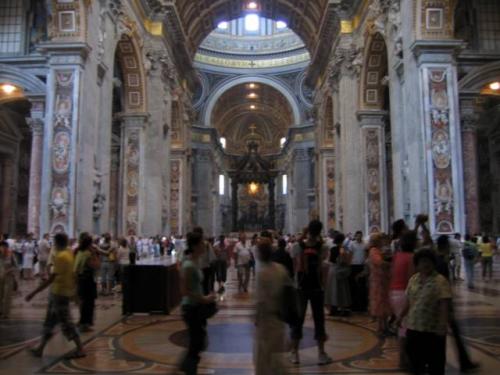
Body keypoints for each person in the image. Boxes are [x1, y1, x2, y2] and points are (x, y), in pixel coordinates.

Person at [25, 232, 85, 358]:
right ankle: (40, 349)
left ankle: (80, 349)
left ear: (57, 243)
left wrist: (34, 292)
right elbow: (73, 275)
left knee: (67, 323)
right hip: (59, 293)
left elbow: (51, 279)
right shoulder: (68, 253)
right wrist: (75, 294)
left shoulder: (61, 256)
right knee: (49, 323)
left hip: (60, 294)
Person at [397, 248, 452, 375]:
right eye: (422, 262)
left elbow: (444, 304)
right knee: (415, 363)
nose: (425, 264)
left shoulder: (440, 281)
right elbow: (409, 301)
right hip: (414, 327)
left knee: (435, 365)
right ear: (417, 265)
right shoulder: (413, 279)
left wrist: (442, 325)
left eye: (428, 261)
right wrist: (400, 317)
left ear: (433, 263)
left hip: (432, 330)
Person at [289, 220, 332, 366]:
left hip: (301, 286)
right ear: (320, 231)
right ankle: (321, 353)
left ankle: (294, 353)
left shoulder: (297, 246)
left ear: (307, 230)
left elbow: (294, 262)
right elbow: (324, 266)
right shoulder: (323, 247)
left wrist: (303, 235)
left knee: (298, 320)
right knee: (319, 319)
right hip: (317, 287)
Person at [435, 236, 480, 373]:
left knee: (450, 335)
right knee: (444, 336)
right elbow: (444, 285)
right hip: (443, 305)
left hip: (441, 304)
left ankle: (463, 362)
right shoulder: (441, 263)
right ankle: (460, 363)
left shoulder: (437, 260)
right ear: (446, 246)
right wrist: (448, 306)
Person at [179, 231, 216, 375]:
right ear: (195, 246)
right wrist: (204, 299)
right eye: (202, 243)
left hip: (196, 306)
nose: (204, 245)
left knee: (198, 342)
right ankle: (187, 368)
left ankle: (187, 367)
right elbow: (185, 291)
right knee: (196, 342)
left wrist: (207, 296)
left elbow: (195, 287)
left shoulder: (196, 262)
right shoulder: (188, 265)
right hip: (190, 307)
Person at [254, 239, 290, 375]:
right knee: (276, 357)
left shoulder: (262, 273)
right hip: (279, 319)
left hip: (266, 320)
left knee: (263, 360)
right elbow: (288, 292)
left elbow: (260, 301)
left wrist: (256, 319)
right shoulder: (281, 269)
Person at [389, 230, 416, 368]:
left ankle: (402, 358)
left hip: (394, 292)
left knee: (402, 328)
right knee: (408, 328)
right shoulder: (411, 257)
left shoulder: (397, 255)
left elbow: (392, 273)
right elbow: (411, 279)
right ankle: (406, 359)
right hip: (404, 293)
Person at [74, 232, 99, 332]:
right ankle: (85, 323)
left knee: (83, 302)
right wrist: (94, 254)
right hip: (87, 281)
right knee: (88, 303)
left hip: (80, 279)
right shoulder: (88, 254)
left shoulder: (79, 252)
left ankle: (83, 322)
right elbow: (96, 265)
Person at [368, 233, 393, 336]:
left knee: (385, 302)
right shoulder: (374, 251)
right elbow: (379, 262)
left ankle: (386, 326)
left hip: (384, 280)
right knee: (380, 303)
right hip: (379, 281)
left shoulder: (379, 250)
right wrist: (392, 264)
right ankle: (380, 328)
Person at [325, 232, 352, 316]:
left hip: (332, 270)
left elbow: (329, 260)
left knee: (332, 290)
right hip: (340, 270)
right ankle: (342, 308)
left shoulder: (332, 249)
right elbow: (345, 260)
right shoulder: (342, 249)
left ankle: (333, 309)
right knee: (341, 290)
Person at [348, 230, 368, 311]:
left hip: (362, 265)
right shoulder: (352, 244)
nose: (359, 237)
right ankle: (354, 305)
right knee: (354, 286)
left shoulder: (365, 244)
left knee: (362, 286)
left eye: (360, 235)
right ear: (355, 236)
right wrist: (349, 264)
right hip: (354, 266)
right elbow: (350, 254)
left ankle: (362, 305)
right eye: (357, 235)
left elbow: (366, 254)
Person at [0, 241, 17, 319]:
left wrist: (9, 270)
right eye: (1, 247)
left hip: (8, 277)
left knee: (7, 295)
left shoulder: (11, 255)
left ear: (7, 247)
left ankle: (6, 313)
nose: (3, 249)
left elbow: (15, 266)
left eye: (4, 247)